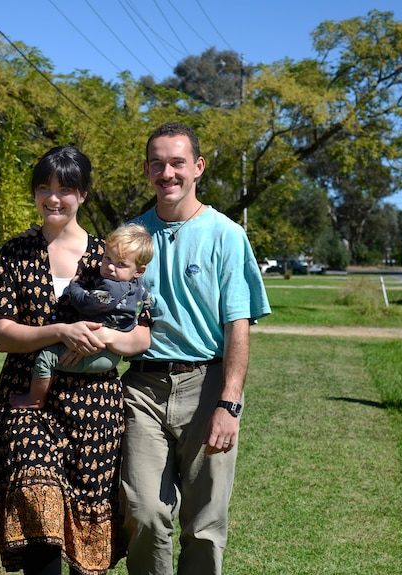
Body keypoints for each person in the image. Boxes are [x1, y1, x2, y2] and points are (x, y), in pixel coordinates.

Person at [0, 146, 151, 575]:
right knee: (39, 513)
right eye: (44, 188)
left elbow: (143, 333)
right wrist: (58, 331)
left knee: (88, 527)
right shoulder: (16, 253)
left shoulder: (107, 257)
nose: (53, 198)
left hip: (94, 405)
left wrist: (110, 336)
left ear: (83, 195)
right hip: (28, 399)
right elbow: (3, 335)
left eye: (65, 189)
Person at [120, 122, 272, 575]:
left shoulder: (225, 235)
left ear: (197, 168)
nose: (167, 173)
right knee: (144, 513)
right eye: (157, 164)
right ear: (146, 171)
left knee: (204, 525)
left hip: (206, 386)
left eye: (177, 163)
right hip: (141, 388)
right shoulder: (130, 237)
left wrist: (230, 402)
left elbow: (237, 326)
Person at [9, 223, 154, 410]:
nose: (110, 267)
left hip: (99, 351)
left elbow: (87, 303)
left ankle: (35, 399)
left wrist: (74, 286)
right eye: (107, 258)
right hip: (112, 350)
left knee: (46, 358)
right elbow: (148, 302)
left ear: (139, 270)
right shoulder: (138, 286)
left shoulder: (113, 287)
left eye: (121, 264)